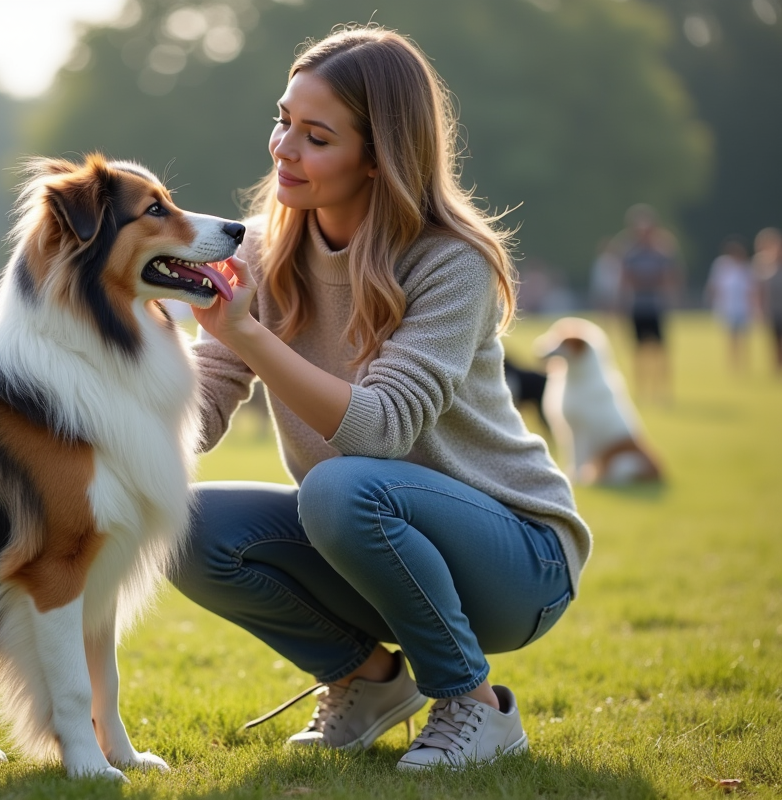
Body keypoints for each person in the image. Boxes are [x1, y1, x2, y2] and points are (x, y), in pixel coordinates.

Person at [171, 26, 591, 771]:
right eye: (283, 121)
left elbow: (380, 432)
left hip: (518, 560)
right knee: (181, 523)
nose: (283, 149)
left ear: (377, 157)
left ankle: (475, 703)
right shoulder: (266, 251)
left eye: (316, 136)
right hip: (370, 537)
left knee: (338, 486)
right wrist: (89, 414)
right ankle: (365, 680)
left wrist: (250, 338)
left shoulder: (450, 262)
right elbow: (199, 409)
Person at [616, 204, 681, 402]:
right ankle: (642, 391)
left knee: (661, 350)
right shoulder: (630, 253)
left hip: (656, 306)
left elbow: (669, 277)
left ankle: (663, 392)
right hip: (638, 306)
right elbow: (626, 280)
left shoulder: (662, 252)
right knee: (639, 351)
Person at [704, 238, 755, 373]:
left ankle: (744, 365)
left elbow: (750, 290)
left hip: (743, 308)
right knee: (731, 338)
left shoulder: (745, 268)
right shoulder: (722, 265)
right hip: (727, 308)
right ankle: (733, 365)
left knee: (743, 338)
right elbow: (714, 285)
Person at [753, 227, 782, 373]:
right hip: (773, 308)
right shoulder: (763, 264)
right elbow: (759, 289)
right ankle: (777, 367)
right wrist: (759, 309)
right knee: (774, 340)